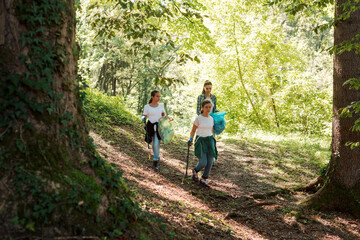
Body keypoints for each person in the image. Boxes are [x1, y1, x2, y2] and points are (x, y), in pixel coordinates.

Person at [188, 99, 218, 187]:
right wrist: (190, 139)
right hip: (200, 141)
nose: (208, 109)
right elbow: (193, 130)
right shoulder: (199, 118)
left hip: (210, 140)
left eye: (209, 107)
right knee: (203, 162)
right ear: (202, 108)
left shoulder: (211, 119)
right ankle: (195, 170)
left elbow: (211, 130)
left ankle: (204, 179)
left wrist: (213, 140)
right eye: (206, 107)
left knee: (210, 161)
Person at [142, 90, 172, 172]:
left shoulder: (161, 106)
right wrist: (143, 118)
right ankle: (156, 154)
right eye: (157, 96)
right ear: (152, 97)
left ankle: (155, 161)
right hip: (150, 126)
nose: (159, 98)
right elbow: (144, 115)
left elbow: (163, 115)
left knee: (156, 143)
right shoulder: (147, 106)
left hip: (159, 126)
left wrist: (167, 117)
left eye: (159, 96)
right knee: (152, 142)